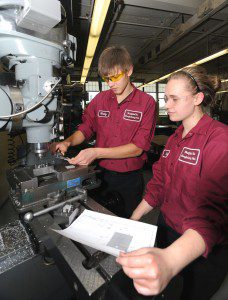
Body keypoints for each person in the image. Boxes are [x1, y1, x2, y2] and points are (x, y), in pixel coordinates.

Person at [107, 66, 228, 300]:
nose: (166, 105)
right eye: (165, 98)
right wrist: (133, 219)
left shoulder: (220, 140)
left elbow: (212, 215)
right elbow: (159, 184)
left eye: (174, 99)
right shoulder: (175, 138)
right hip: (168, 227)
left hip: (200, 245)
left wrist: (170, 260)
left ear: (197, 99)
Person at [50, 46, 156, 218]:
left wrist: (96, 152)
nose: (111, 83)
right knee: (99, 220)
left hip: (129, 180)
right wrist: (67, 142)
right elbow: (86, 128)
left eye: (115, 77)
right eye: (107, 78)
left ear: (129, 70)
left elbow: (138, 147)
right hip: (101, 176)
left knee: (124, 225)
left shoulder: (147, 103)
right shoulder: (100, 100)